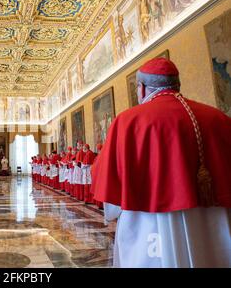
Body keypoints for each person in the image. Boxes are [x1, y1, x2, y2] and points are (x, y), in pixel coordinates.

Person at [92, 58, 231, 267]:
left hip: (150, 222)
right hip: (213, 221)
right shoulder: (218, 118)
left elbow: (107, 172)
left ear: (141, 88)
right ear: (177, 84)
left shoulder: (128, 121)